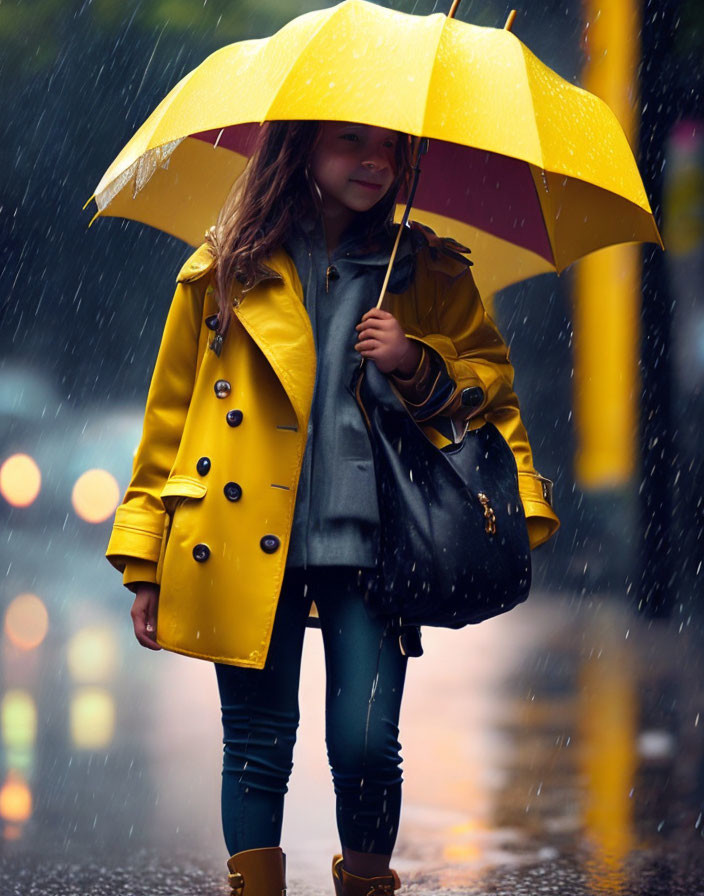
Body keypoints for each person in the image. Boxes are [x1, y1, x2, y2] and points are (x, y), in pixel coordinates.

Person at [105, 119, 559, 896]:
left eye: (390, 149)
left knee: (365, 745)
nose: (377, 162)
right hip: (246, 533)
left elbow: (493, 387)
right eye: (352, 142)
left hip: (381, 537)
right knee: (255, 742)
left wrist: (416, 359)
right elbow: (170, 421)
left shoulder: (427, 271)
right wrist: (145, 557)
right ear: (299, 148)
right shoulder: (222, 271)